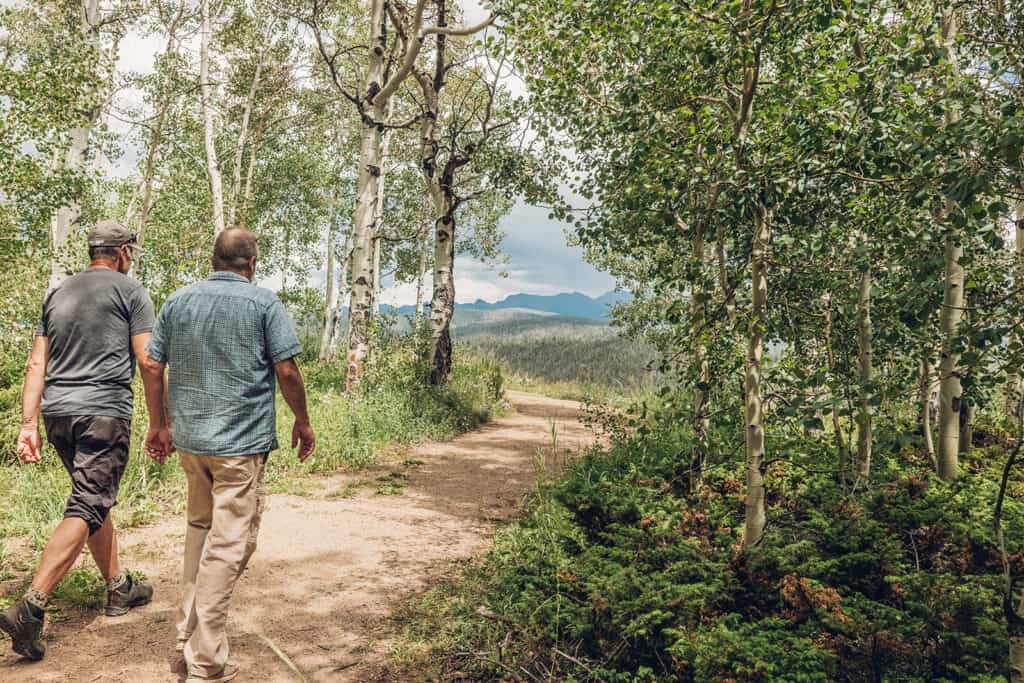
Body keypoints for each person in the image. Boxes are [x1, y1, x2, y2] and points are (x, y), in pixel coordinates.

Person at [141, 226, 315, 683]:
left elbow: (152, 363)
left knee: (200, 533)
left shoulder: (179, 301)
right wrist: (302, 420)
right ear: (251, 264)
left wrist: (159, 424)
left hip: (192, 444)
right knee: (228, 546)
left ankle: (185, 637)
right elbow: (286, 369)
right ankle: (207, 660)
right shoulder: (263, 303)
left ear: (213, 260)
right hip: (239, 448)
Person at [1, 220, 172, 661]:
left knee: (92, 498)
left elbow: (36, 364)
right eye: (130, 254)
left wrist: (28, 424)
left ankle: (118, 587)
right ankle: (32, 605)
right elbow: (150, 363)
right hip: (103, 413)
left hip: (59, 413)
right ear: (122, 253)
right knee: (87, 504)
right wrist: (160, 423)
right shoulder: (130, 292)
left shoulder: (58, 293)